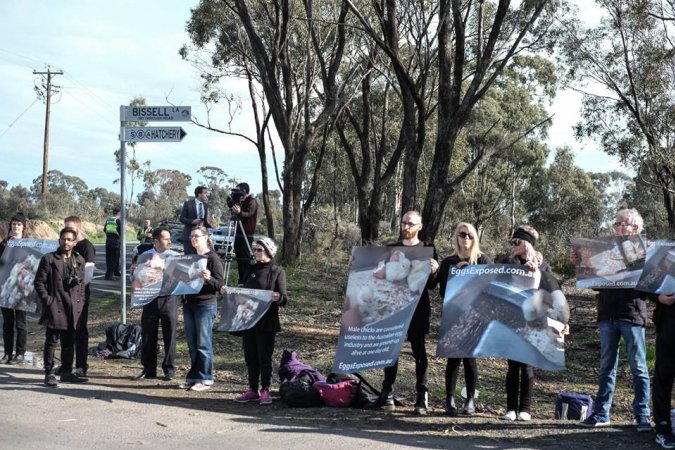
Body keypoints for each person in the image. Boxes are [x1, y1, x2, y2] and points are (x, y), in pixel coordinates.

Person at [580, 209, 651, 432]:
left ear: (636, 229)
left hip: (632, 314)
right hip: (607, 314)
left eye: (623, 224)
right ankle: (602, 413)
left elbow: (652, 284)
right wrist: (584, 267)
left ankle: (642, 416)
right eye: (616, 223)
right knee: (606, 367)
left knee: (638, 368)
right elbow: (594, 284)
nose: (618, 227)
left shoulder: (646, 252)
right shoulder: (605, 252)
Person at [372, 211, 439, 415]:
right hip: (393, 307)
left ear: (420, 226)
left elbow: (432, 286)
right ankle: (387, 393)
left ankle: (422, 396)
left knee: (419, 352)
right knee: (391, 349)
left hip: (418, 309)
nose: (406, 226)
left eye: (411, 223)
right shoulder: (391, 249)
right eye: (404, 222)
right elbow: (379, 275)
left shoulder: (428, 249)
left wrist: (435, 271)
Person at [437, 222, 492, 416]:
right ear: (457, 237)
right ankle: (449, 399)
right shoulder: (448, 262)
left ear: (475, 238)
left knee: (470, 360)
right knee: (452, 359)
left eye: (469, 235)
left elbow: (490, 288)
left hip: (475, 317)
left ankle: (470, 401)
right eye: (462, 234)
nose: (466, 238)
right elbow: (443, 291)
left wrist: (469, 272)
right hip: (453, 315)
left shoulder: (483, 260)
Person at [228, 237, 287, 405]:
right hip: (247, 320)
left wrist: (277, 297)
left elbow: (284, 299)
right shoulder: (250, 270)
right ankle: (252, 389)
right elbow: (242, 291)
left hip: (266, 321)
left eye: (259, 250)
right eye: (255, 250)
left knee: (264, 357)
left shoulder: (277, 271)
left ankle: (265, 389)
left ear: (269, 251)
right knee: (251, 356)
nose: (256, 253)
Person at [501, 225, 549, 422]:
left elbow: (550, 290)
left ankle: (525, 408)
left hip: (533, 320)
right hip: (512, 318)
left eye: (517, 241)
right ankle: (511, 408)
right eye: (512, 241)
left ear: (527, 243)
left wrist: (536, 272)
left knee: (527, 366)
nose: (513, 245)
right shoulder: (507, 262)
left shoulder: (542, 265)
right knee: (512, 365)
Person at [34, 227, 87, 387]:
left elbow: (82, 284)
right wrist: (48, 300)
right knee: (51, 341)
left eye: (69, 239)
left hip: (73, 307)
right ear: (59, 240)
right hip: (55, 305)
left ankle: (66, 372)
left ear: (75, 242)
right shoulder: (49, 259)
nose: (66, 242)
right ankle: (49, 373)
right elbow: (39, 282)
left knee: (69, 342)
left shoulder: (79, 260)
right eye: (63, 239)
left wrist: (81, 301)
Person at [131, 226, 180, 382]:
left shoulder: (175, 256)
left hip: (169, 298)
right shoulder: (145, 255)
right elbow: (137, 279)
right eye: (166, 238)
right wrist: (134, 271)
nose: (169, 241)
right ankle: (148, 369)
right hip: (150, 299)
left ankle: (169, 369)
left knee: (170, 335)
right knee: (148, 335)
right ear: (156, 241)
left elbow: (182, 277)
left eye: (169, 238)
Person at [182, 226, 224, 392]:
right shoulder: (190, 257)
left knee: (203, 343)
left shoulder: (213, 258)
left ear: (206, 237)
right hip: (189, 303)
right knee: (192, 344)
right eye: (192, 236)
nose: (193, 238)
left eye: (197, 236)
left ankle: (206, 378)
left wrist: (209, 278)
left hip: (205, 305)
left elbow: (220, 285)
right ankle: (193, 377)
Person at [63, 216, 95, 376]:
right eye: (65, 228)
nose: (68, 232)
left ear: (79, 228)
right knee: (67, 331)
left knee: (80, 331)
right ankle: (66, 365)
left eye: (71, 228)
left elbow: (87, 276)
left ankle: (81, 366)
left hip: (80, 296)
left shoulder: (86, 247)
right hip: (65, 296)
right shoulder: (65, 245)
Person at [0, 213, 29, 364]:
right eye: (14, 224)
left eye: (19, 224)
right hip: (5, 288)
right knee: (7, 323)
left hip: (22, 289)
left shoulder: (28, 244)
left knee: (21, 323)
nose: (16, 226)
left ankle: (20, 353)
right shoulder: (4, 244)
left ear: (23, 227)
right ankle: (7, 353)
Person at [653, 287, 675, 449]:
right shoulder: (664, 260)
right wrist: (658, 297)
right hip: (668, 327)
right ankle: (663, 427)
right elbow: (647, 284)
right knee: (663, 378)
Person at [230, 182, 258, 284]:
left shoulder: (252, 201)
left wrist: (239, 212)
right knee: (239, 258)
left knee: (245, 259)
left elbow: (249, 214)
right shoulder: (241, 202)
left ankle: (247, 281)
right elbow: (235, 213)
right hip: (238, 233)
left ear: (244, 190)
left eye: (239, 190)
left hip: (247, 233)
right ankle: (241, 281)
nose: (238, 193)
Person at [180, 186, 212, 255]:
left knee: (201, 259)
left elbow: (205, 222)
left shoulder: (205, 205)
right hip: (189, 237)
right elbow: (182, 219)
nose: (207, 195)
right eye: (205, 193)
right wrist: (192, 221)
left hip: (201, 238)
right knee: (189, 259)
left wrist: (213, 228)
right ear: (199, 194)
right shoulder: (188, 204)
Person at [103, 207, 121, 280]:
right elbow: (121, 231)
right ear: (119, 213)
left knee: (109, 258)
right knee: (114, 258)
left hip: (108, 240)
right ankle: (109, 275)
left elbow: (105, 229)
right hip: (115, 241)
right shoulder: (118, 220)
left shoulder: (108, 220)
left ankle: (116, 272)